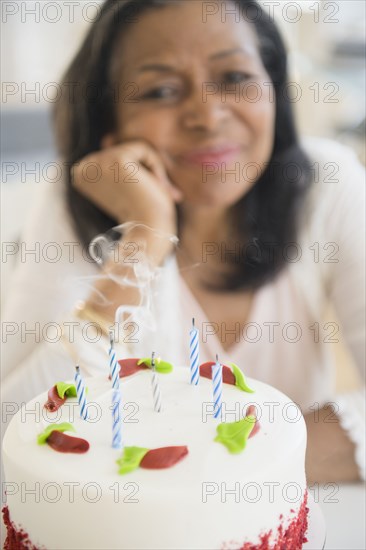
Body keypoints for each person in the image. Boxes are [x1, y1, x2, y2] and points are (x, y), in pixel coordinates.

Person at [2, 0, 365, 485]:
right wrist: (144, 236)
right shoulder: (69, 202)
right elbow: (16, 430)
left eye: (235, 78)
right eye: (161, 90)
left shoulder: (327, 183)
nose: (208, 116)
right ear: (109, 122)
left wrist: (214, 482)